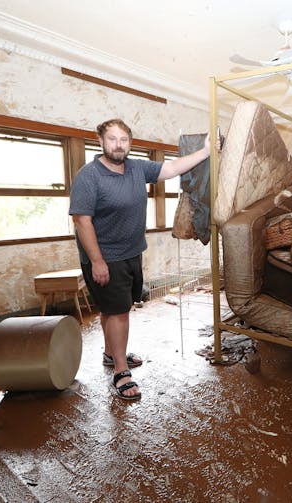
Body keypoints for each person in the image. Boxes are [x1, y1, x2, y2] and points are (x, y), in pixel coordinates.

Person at [69, 118, 214, 400]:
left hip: (132, 252)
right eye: (112, 139)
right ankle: (121, 372)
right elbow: (82, 221)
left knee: (111, 309)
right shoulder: (89, 176)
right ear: (100, 142)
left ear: (130, 144)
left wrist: (206, 152)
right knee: (119, 311)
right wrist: (97, 261)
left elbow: (171, 168)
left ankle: (112, 353)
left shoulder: (136, 167)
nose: (118, 144)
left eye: (124, 139)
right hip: (105, 257)